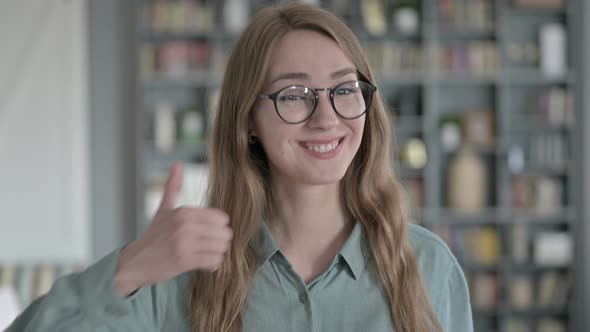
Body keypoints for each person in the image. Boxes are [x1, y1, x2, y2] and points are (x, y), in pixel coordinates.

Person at [7, 3, 473, 332]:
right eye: (294, 95)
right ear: (248, 119)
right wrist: (128, 271)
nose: (327, 117)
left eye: (344, 89)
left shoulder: (430, 267)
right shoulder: (178, 271)